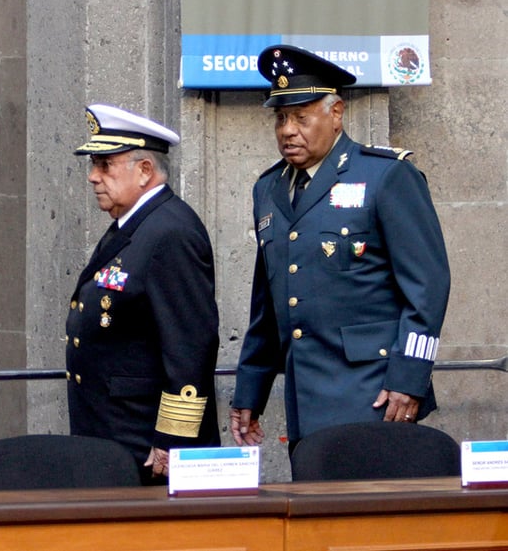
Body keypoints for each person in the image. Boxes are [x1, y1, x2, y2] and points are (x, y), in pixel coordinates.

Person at [230, 45, 451, 460]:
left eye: (300, 116)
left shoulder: (385, 176)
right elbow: (270, 302)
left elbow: (428, 286)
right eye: (280, 118)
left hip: (375, 394)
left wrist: (410, 377)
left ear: (335, 114)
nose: (288, 130)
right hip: (306, 400)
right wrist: (250, 390)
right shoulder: (269, 188)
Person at [67, 104, 221, 484]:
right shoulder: (134, 224)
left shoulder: (170, 232)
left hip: (146, 443)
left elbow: (190, 345)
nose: (92, 177)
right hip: (115, 431)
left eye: (105, 165)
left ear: (145, 171)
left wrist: (172, 439)